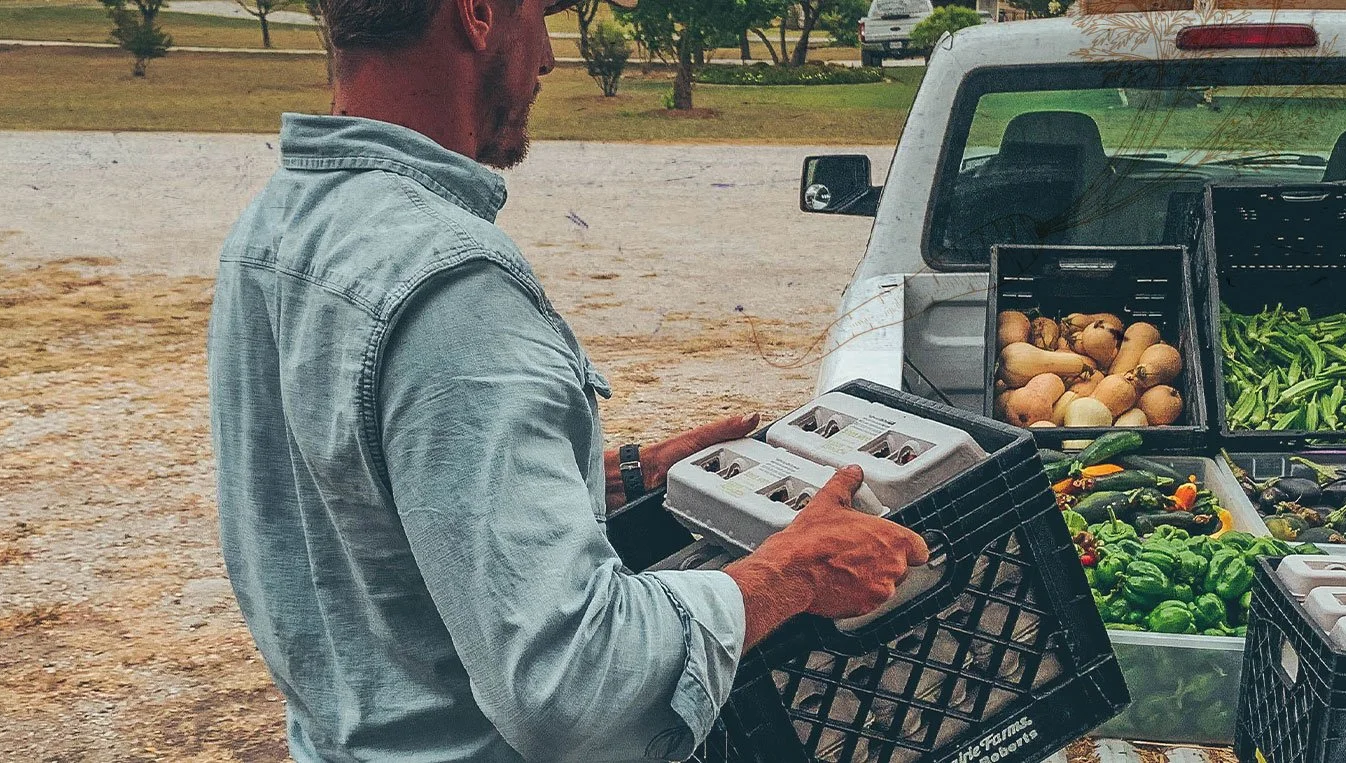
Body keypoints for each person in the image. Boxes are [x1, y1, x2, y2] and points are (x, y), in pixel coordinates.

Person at [206, 0, 932, 759]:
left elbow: (356, 505)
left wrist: (600, 477)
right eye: (539, 15)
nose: (548, 56)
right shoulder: (452, 286)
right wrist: (795, 573)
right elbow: (575, 683)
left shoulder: (274, 229)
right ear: (480, 13)